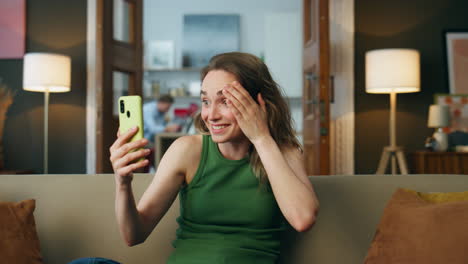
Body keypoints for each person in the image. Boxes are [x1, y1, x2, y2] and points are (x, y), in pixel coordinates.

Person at [72, 52, 320, 264]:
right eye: (205, 101)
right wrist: (122, 183)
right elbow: (133, 235)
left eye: (225, 101)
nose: (210, 115)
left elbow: (303, 219)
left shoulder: (283, 153)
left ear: (258, 103)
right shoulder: (187, 150)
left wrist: (261, 138)